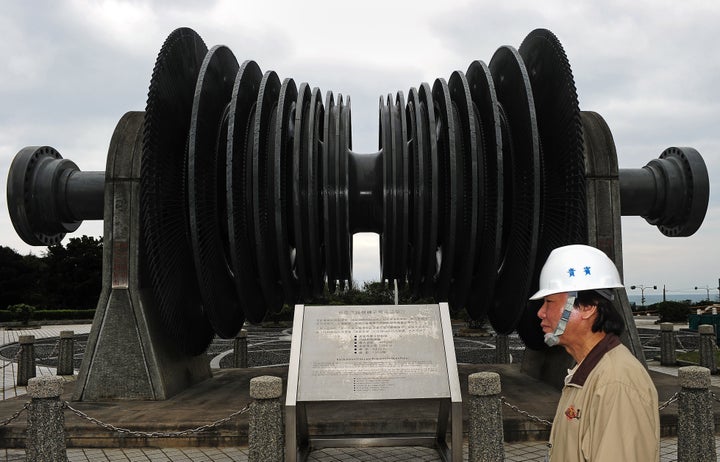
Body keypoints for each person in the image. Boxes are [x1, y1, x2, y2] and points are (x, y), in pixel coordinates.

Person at [530, 244, 659, 461]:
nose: (541, 312)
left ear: (588, 307)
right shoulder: (589, 371)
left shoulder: (616, 382)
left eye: (550, 302)